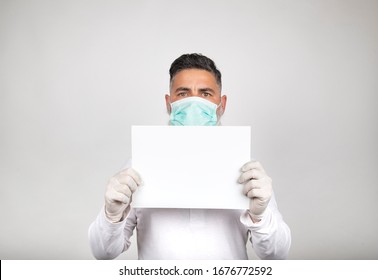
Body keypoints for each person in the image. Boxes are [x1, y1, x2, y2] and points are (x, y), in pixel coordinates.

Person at [88, 53, 291, 260]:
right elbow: (103, 252)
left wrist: (260, 215)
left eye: (205, 94)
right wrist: (111, 215)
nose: (194, 102)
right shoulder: (140, 164)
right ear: (169, 103)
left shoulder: (247, 169)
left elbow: (277, 254)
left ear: (222, 104)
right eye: (183, 94)